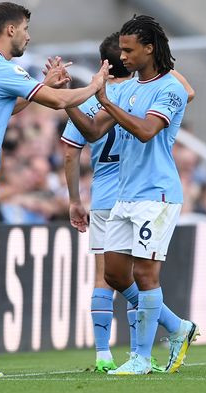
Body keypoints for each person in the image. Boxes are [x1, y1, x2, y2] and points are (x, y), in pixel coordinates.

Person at [0, 1, 108, 378]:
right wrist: (95, 86)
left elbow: (3, 107)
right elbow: (60, 102)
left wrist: (42, 86)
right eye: (26, 28)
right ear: (10, 30)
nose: (29, 35)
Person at [65, 15, 198, 375]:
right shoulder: (124, 89)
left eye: (129, 49)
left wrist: (107, 102)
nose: (122, 56)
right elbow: (92, 133)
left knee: (144, 274)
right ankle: (177, 327)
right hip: (124, 195)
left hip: (156, 194)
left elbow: (145, 131)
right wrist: (68, 102)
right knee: (114, 274)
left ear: (149, 48)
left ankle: (140, 357)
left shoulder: (169, 88)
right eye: (121, 49)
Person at [61, 32, 134, 372]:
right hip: (138, 194)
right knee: (140, 275)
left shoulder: (90, 101)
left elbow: (70, 152)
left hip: (103, 197)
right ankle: (139, 353)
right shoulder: (140, 93)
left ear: (105, 64)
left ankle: (103, 354)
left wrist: (75, 199)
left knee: (103, 277)